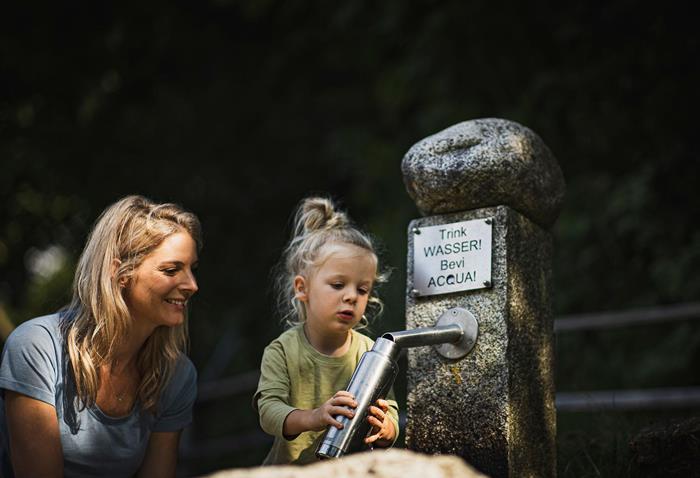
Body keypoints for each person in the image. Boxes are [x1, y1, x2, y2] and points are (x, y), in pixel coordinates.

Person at [0, 195, 201, 477]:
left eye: (192, 269)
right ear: (120, 273)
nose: (192, 285)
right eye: (171, 270)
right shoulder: (35, 348)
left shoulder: (177, 375)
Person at [254, 196, 399, 465]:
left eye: (362, 289)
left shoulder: (370, 351)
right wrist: (315, 417)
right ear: (302, 288)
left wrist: (387, 428)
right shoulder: (282, 350)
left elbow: (389, 408)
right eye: (337, 285)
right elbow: (268, 411)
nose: (351, 297)